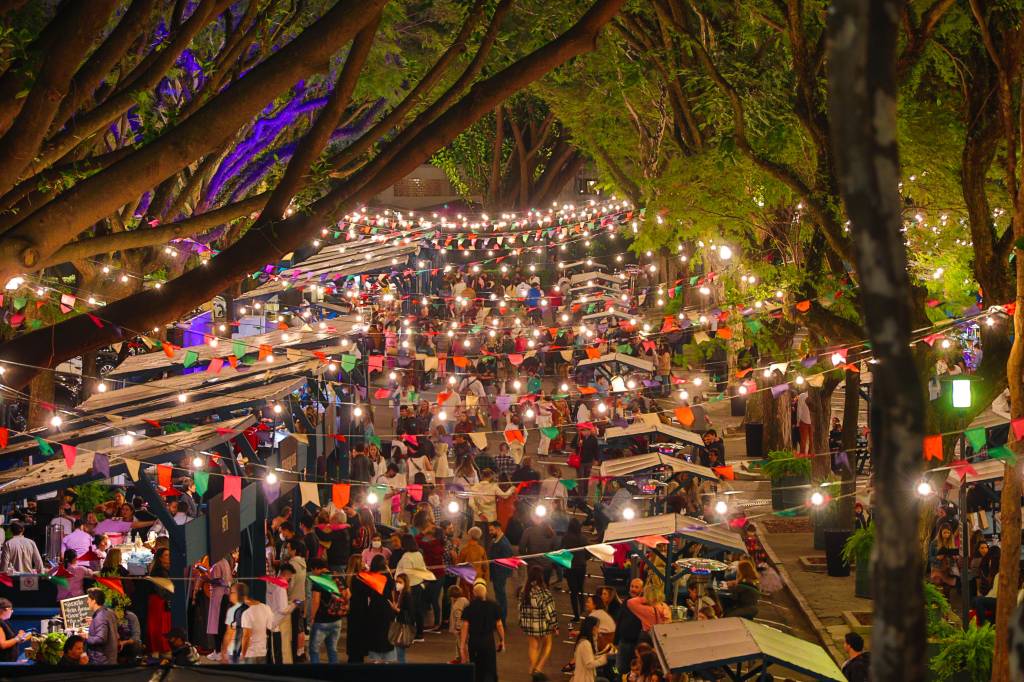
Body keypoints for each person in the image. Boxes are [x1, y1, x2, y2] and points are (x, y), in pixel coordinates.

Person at [460, 580, 504, 682]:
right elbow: (499, 624)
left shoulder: (469, 607)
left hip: (474, 641)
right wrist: (502, 640)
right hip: (488, 641)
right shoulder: (494, 605)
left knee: (475, 666)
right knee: (490, 667)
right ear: (486, 592)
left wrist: (462, 645)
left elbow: (465, 627)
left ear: (474, 593)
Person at [519, 565, 557, 681]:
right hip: (542, 624)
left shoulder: (524, 591)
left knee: (533, 646)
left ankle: (533, 668)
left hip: (529, 624)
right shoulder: (544, 592)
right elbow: (549, 610)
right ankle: (538, 668)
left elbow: (519, 608)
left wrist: (521, 621)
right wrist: (554, 624)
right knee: (548, 643)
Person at [307, 558, 344, 664]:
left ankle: (317, 675)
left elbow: (315, 601)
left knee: (314, 650)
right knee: (332, 650)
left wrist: (312, 617)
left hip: (321, 621)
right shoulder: (338, 577)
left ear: (316, 569)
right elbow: (348, 594)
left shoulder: (318, 581)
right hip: (337, 619)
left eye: (313, 570)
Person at [363, 555, 397, 662]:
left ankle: (375, 658)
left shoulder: (370, 576)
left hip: (374, 607)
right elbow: (393, 592)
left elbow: (368, 593)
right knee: (387, 632)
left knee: (374, 632)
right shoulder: (388, 577)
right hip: (387, 607)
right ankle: (387, 658)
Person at [395, 534, 428, 640]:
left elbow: (405, 575)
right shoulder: (418, 554)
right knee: (418, 610)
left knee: (409, 612)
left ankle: (410, 634)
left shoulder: (407, 556)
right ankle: (419, 633)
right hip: (419, 584)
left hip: (410, 587)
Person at [146, 547, 173, 656]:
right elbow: (161, 590)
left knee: (163, 625)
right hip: (158, 600)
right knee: (158, 626)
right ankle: (159, 649)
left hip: (162, 599)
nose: (169, 557)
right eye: (166, 555)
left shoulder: (164, 569)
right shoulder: (158, 571)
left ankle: (163, 648)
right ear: (160, 558)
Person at [615, 579, 644, 675]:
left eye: (636, 587)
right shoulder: (626, 602)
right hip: (623, 643)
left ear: (642, 589)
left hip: (636, 644)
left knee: (633, 671)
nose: (633, 589)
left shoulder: (643, 605)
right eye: (632, 586)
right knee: (619, 668)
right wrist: (615, 641)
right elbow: (619, 622)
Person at [487, 521, 514, 624]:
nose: (490, 532)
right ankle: (500, 618)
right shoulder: (496, 540)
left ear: (498, 529)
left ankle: (501, 619)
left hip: (499, 574)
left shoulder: (503, 543)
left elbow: (507, 562)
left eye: (492, 530)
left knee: (501, 597)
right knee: (499, 596)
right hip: (497, 573)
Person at [84, 588, 119, 665]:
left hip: (101, 662)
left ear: (94, 601)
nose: (87, 602)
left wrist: (86, 637)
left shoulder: (100, 617)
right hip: (110, 659)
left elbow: (100, 639)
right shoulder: (109, 612)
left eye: (88, 599)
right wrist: (94, 622)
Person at [239, 588, 274, 663]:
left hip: (250, 653)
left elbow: (246, 636)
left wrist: (243, 654)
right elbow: (271, 626)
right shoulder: (266, 608)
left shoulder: (247, 613)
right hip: (262, 651)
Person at [561, 519, 587, 621]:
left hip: (571, 567)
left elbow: (562, 552)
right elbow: (588, 552)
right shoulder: (584, 538)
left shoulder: (566, 538)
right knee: (581, 588)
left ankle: (576, 615)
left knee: (573, 591)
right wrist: (584, 559)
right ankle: (583, 608)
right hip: (582, 566)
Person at [571, 616, 609, 682]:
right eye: (597, 627)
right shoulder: (585, 644)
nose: (598, 629)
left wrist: (604, 655)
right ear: (593, 628)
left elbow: (590, 657)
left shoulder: (584, 641)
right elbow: (589, 664)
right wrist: (604, 659)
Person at [390, 573, 417, 663]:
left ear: (405, 583)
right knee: (399, 650)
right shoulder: (400, 594)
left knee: (400, 650)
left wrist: (396, 609)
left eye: (400, 582)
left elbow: (409, 611)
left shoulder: (407, 595)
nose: (397, 583)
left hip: (404, 625)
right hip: (400, 624)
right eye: (396, 581)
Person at [458, 526, 490, 595]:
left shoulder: (464, 550)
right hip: (478, 578)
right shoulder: (482, 550)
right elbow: (485, 567)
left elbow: (459, 565)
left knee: (466, 597)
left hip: (466, 579)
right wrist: (485, 580)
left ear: (470, 536)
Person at [449, 584, 470, 662]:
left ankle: (463, 660)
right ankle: (458, 658)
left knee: (462, 644)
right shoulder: (465, 600)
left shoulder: (457, 605)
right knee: (460, 643)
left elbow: (458, 617)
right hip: (466, 626)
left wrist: (458, 628)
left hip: (460, 629)